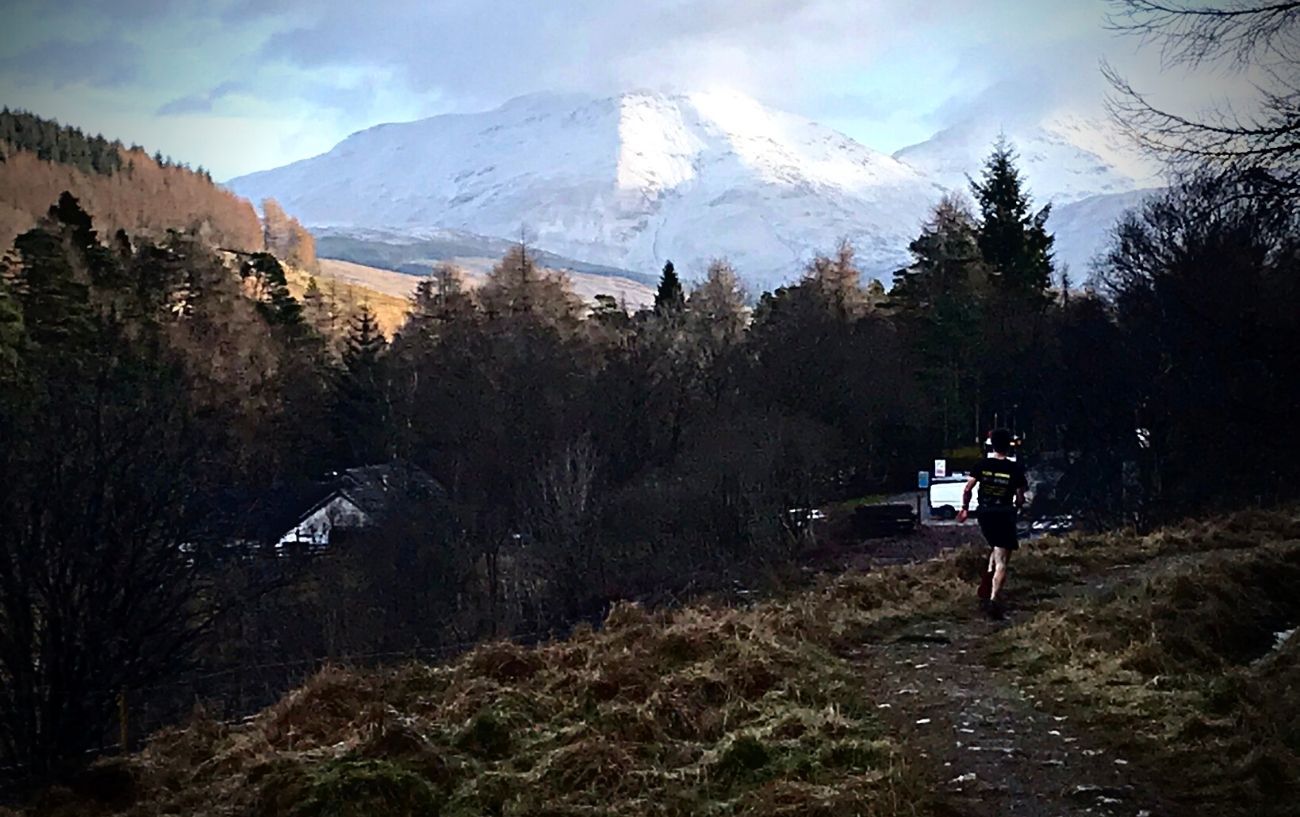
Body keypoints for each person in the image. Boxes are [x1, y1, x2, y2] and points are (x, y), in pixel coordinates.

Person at [957, 428, 1027, 619]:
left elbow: (968, 488)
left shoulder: (981, 464)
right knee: (1002, 560)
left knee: (995, 547)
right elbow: (1020, 497)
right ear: (1009, 446)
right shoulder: (1015, 469)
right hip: (1004, 513)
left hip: (984, 514)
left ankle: (986, 585)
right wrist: (1019, 505)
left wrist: (964, 508)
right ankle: (994, 601)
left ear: (992, 445)